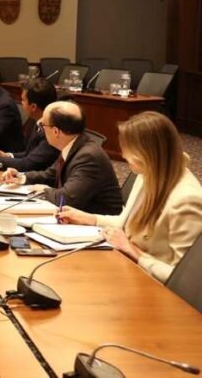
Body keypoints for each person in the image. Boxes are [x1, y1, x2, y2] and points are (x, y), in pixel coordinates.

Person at [57, 111, 202, 283]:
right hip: (129, 269)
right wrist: (88, 218)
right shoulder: (147, 174)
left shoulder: (187, 199)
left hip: (155, 290)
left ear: (147, 152)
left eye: (127, 150)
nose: (124, 156)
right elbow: (125, 224)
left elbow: (186, 281)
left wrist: (133, 250)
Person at [3, 101, 122, 215]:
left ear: (55, 131)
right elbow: (50, 175)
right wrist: (21, 177)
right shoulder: (72, 144)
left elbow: (66, 199)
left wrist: (44, 190)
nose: (41, 129)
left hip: (98, 228)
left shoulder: (88, 156)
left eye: (43, 124)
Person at [0, 77, 60, 172]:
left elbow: (27, 164)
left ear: (33, 107)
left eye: (23, 100)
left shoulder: (50, 130)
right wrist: (8, 155)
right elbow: (29, 154)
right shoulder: (38, 121)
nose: (21, 104)